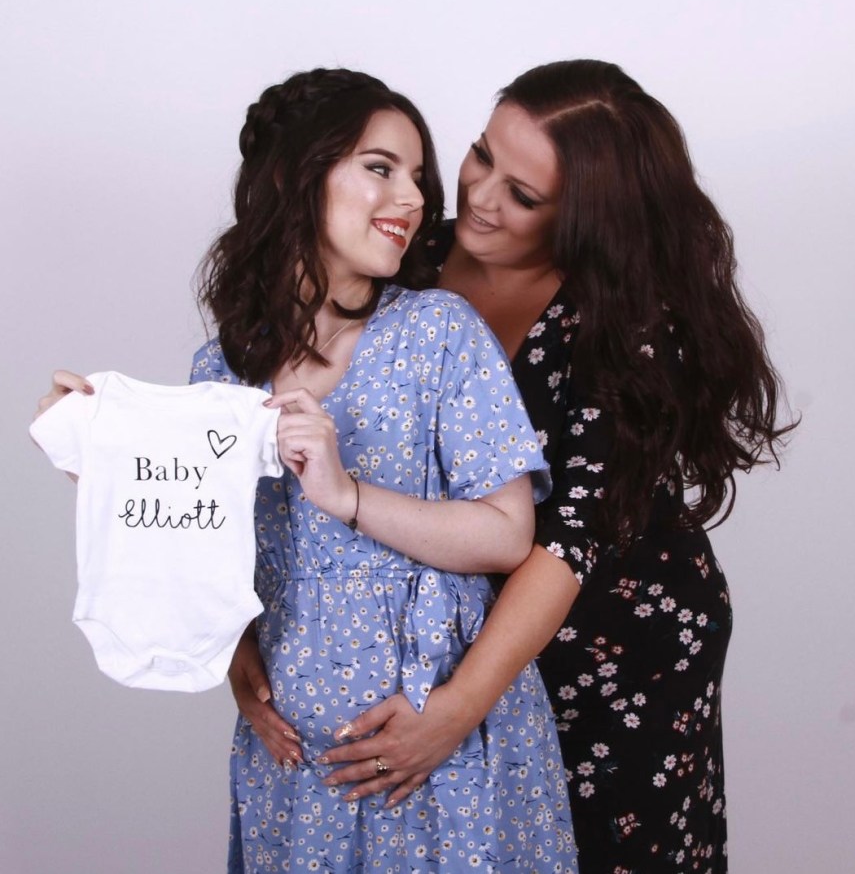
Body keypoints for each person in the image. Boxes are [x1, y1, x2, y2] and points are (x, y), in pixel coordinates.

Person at [230, 59, 795, 873]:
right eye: (479, 154)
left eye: (524, 195)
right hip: (459, 621)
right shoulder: (414, 258)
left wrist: (456, 709)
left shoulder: (624, 323)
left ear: (589, 218)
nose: (480, 196)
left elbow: (567, 543)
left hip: (608, 633)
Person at [37, 68, 578, 873]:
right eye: (380, 167)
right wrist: (107, 464)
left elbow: (508, 534)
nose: (414, 200)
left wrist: (346, 493)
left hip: (439, 765)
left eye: (419, 178)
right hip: (298, 777)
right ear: (298, 175)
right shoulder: (223, 369)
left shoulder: (439, 333)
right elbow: (205, 550)